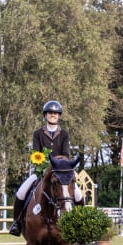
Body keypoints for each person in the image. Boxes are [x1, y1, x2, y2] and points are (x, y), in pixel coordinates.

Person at [10, 100, 83, 236]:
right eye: (50, 113)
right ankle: (17, 223)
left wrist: (57, 164)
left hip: (60, 173)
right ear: (45, 115)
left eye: (55, 113)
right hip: (41, 171)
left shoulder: (64, 134)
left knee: (78, 195)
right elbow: (35, 152)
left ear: (59, 116)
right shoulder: (38, 133)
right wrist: (43, 165)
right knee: (21, 192)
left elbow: (66, 155)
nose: (52, 115)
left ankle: (79, 225)